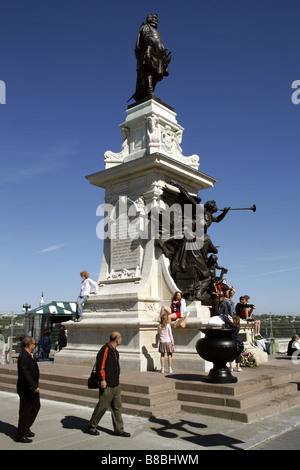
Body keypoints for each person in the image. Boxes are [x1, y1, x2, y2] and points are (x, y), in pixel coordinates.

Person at [86, 332, 130, 438]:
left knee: (117, 407)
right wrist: (102, 380)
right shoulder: (105, 350)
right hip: (107, 384)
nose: (121, 339)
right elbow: (100, 366)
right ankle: (91, 426)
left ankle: (119, 429)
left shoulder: (115, 351)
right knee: (102, 406)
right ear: (117, 339)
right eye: (120, 337)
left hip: (116, 384)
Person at [16, 337, 40, 443]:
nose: (35, 345)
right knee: (25, 411)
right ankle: (21, 434)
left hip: (31, 388)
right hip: (27, 389)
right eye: (34, 343)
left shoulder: (27, 355)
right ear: (30, 345)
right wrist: (33, 386)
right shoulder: (23, 357)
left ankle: (26, 428)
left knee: (35, 407)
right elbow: (26, 374)